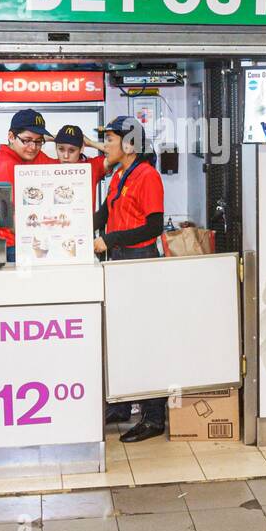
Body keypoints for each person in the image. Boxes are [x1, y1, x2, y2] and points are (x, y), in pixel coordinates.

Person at [94, 116, 167, 443]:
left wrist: (111, 240)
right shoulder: (119, 175)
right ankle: (122, 406)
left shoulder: (147, 176)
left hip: (140, 262)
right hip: (120, 261)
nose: (105, 145)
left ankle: (153, 417)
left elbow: (154, 227)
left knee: (145, 340)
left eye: (109, 139)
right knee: (121, 336)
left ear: (129, 145)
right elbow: (104, 215)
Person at [0, 108, 56, 259]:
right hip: (11, 247)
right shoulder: (5, 165)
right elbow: (13, 219)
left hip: (25, 242)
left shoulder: (29, 154)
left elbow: (66, 169)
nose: (33, 147)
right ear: (11, 136)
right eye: (27, 140)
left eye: (39, 141)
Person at [52, 124, 108, 205]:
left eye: (71, 150)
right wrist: (56, 138)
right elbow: (35, 137)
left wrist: (90, 142)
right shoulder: (48, 164)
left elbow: (122, 152)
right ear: (55, 147)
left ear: (81, 148)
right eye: (61, 149)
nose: (66, 156)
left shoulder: (92, 166)